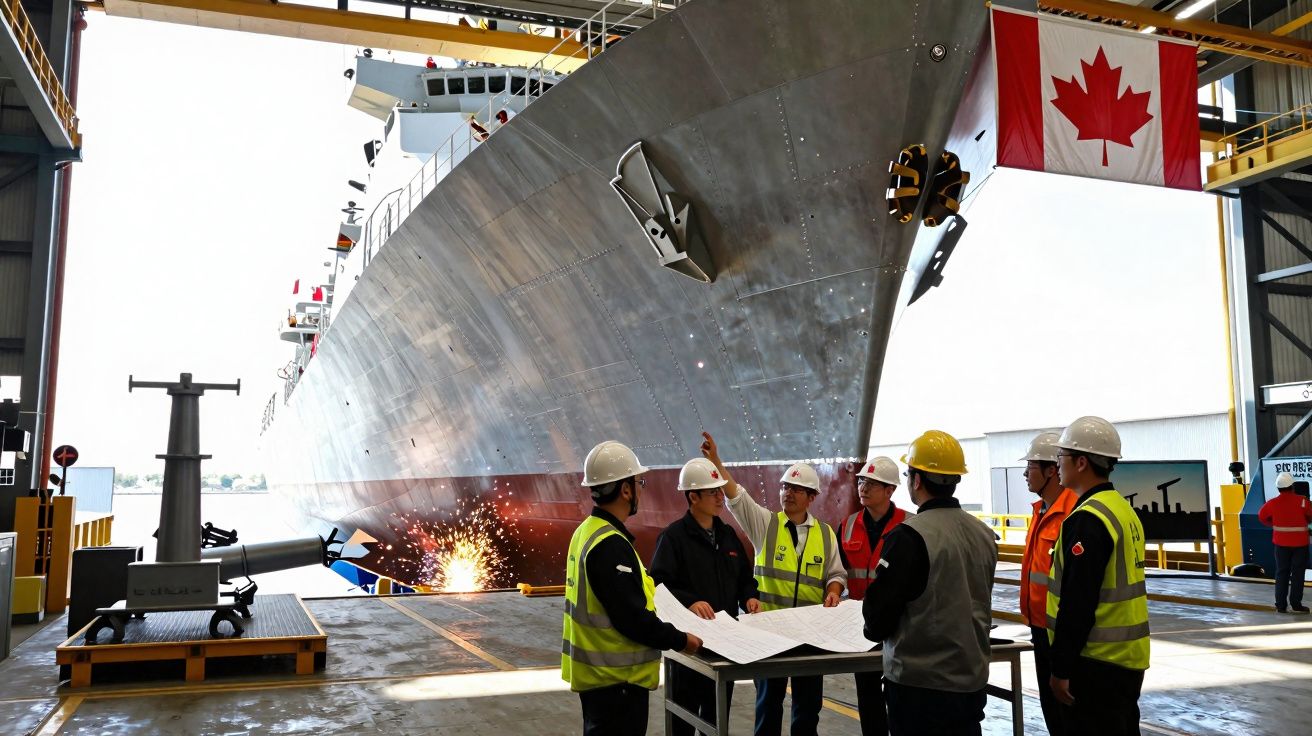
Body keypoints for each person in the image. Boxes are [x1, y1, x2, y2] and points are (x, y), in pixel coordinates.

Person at [702, 432, 844, 736]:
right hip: (769, 635)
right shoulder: (766, 525)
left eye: (796, 489)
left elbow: (836, 574)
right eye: (785, 487)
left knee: (807, 709)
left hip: (810, 637)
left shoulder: (825, 534)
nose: (788, 493)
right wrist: (716, 461)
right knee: (768, 705)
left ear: (812, 497)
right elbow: (737, 498)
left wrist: (834, 591)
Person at [562, 440, 703, 735]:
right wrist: (681, 641)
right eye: (639, 483)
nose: (642, 489)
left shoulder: (585, 532)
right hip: (617, 683)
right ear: (625, 490)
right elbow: (633, 619)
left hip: (599, 681)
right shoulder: (610, 545)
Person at [861, 430, 996, 736]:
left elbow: (879, 617)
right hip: (971, 681)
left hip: (919, 687)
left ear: (917, 480)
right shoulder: (984, 534)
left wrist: (871, 629)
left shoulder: (908, 536)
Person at [1048, 416, 1150, 736]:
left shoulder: (1088, 519)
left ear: (1081, 462)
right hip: (1127, 659)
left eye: (1062, 456)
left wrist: (1061, 668)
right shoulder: (1121, 509)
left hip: (1095, 661)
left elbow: (1078, 601)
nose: (1057, 464)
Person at [650, 456, 762, 735]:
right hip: (689, 646)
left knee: (716, 719)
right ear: (693, 497)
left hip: (725, 644)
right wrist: (690, 602)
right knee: (683, 720)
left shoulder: (728, 535)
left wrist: (749, 597)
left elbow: (744, 578)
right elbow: (659, 585)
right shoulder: (673, 538)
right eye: (713, 492)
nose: (721, 497)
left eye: (720, 491)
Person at [839, 456, 910, 736]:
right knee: (868, 698)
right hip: (863, 626)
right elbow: (837, 571)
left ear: (890, 490)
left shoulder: (910, 524)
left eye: (871, 483)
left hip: (901, 626)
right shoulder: (847, 525)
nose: (863, 488)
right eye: (861, 481)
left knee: (900, 695)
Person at [1018, 431, 1078, 735]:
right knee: (1052, 713)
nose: (1025, 474)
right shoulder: (1040, 510)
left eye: (1030, 467)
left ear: (1052, 470)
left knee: (1068, 717)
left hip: (1063, 632)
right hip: (1040, 627)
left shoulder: (1073, 512)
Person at [1258, 471, 1312, 613]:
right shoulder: (1302, 501)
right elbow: (1310, 516)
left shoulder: (1272, 503)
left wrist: (1273, 524)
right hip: (1300, 545)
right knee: (1298, 574)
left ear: (1278, 488)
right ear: (1292, 486)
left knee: (1282, 573)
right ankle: (1296, 604)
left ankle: (1281, 605)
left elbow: (1262, 516)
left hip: (1281, 545)